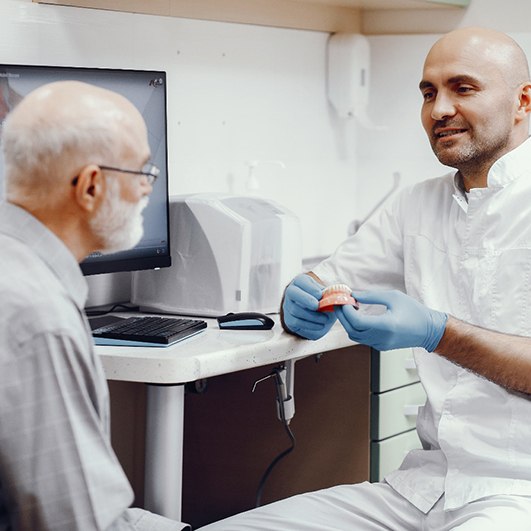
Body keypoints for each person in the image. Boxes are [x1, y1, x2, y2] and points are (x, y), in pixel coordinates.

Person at [197, 26, 531, 530]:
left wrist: (438, 332)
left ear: (523, 101)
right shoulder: (416, 205)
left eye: (463, 88)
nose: (439, 109)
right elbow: (327, 277)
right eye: (428, 92)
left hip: (518, 494)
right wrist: (302, 297)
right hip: (422, 488)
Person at [0, 81, 189, 530]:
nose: (147, 189)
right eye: (142, 171)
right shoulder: (36, 316)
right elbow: (76, 521)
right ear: (89, 186)